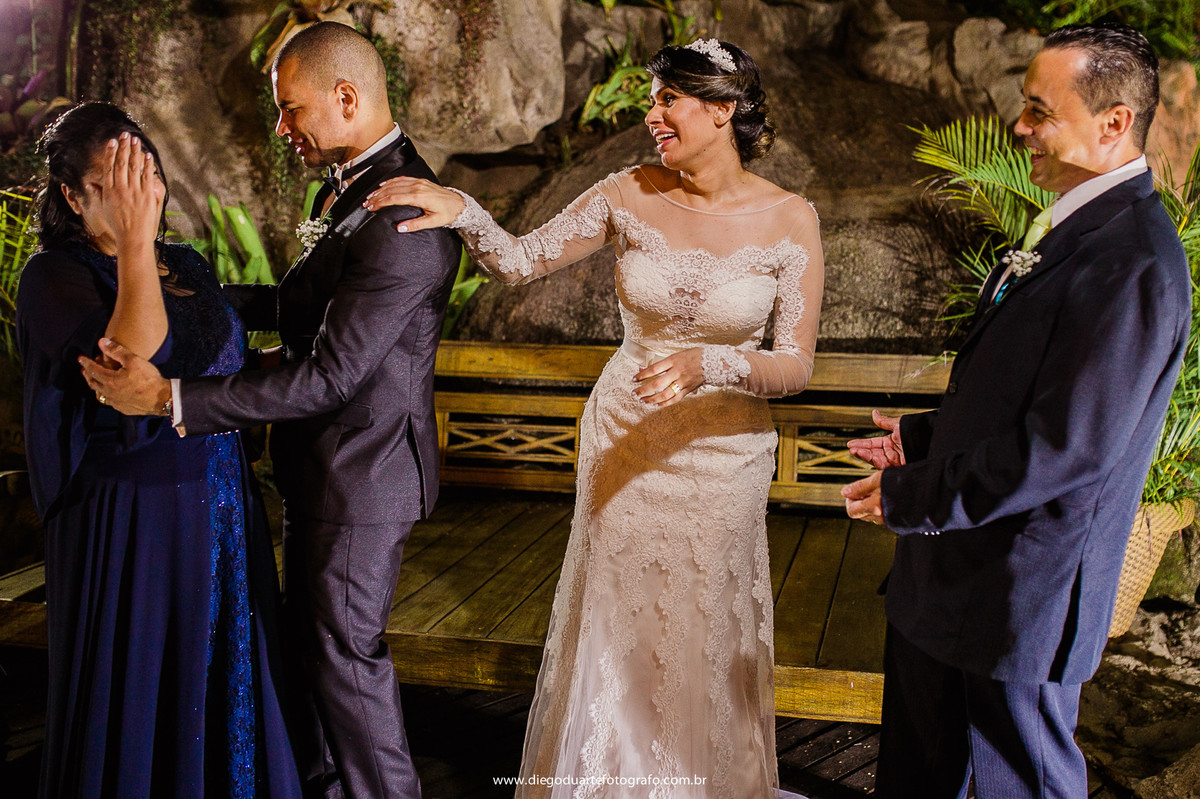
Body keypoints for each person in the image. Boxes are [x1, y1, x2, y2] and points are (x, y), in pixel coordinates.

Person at [362, 38, 824, 797]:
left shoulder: (790, 218)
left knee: (703, 619)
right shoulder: (625, 192)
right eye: (652, 100)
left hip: (725, 455)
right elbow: (519, 261)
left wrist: (710, 364)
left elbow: (795, 365)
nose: (652, 116)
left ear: (722, 109)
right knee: (621, 618)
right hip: (625, 438)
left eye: (668, 100)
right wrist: (464, 210)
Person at [78, 22, 460, 799]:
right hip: (323, 465)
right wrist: (183, 291)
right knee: (313, 655)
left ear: (345, 97)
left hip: (363, 475)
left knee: (345, 664)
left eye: (291, 109)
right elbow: (299, 310)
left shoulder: (403, 222)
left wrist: (168, 396)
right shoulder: (349, 187)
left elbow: (329, 376)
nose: (281, 127)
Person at [842, 23, 1190, 799]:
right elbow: (1019, 394)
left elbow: (1066, 447)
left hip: (1018, 599)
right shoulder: (1073, 219)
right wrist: (922, 439)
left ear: (1114, 122)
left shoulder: (1136, 261)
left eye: (1039, 111)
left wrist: (914, 496)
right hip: (951, 582)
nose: (1019, 126)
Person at [18, 102, 301, 798]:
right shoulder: (53, 276)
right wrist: (136, 244)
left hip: (221, 502)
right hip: (132, 519)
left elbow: (220, 360)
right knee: (146, 685)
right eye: (113, 182)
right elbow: (133, 352)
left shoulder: (187, 264)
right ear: (72, 197)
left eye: (144, 172)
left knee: (224, 680)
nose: (139, 193)